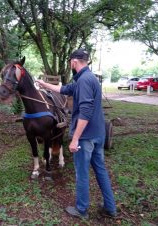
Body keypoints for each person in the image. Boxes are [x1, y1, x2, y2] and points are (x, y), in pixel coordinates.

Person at [36, 49, 117, 219]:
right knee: (100, 170)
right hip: (98, 133)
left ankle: (81, 209)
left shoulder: (84, 81)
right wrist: (43, 85)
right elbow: (63, 89)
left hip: (86, 137)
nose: (70, 65)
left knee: (82, 173)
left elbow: (85, 112)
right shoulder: (86, 78)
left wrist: (75, 138)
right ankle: (110, 207)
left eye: (70, 62)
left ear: (74, 62)